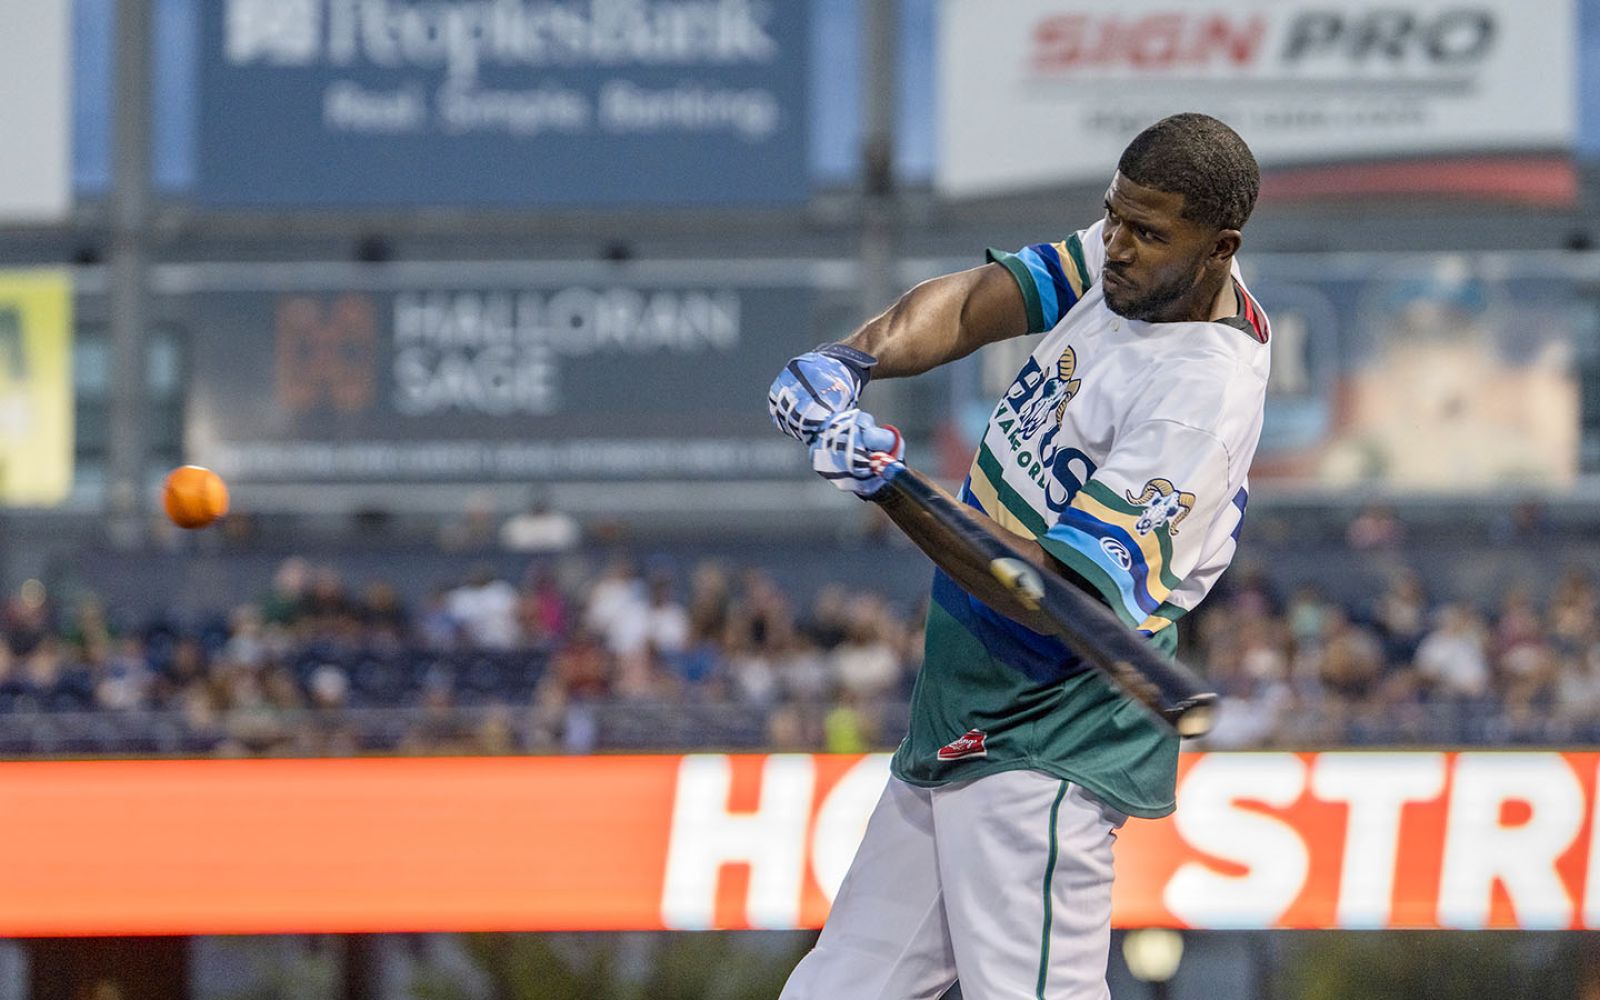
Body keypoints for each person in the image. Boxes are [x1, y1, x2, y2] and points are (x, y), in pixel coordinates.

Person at [767, 113, 1269, 999]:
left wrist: (887, 481)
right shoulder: (1128, 271)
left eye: (1146, 233)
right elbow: (967, 304)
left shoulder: (1199, 400)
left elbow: (1041, 591)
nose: (1116, 245)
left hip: (1047, 734)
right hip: (966, 706)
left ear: (1220, 248)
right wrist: (849, 362)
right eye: (1113, 217)